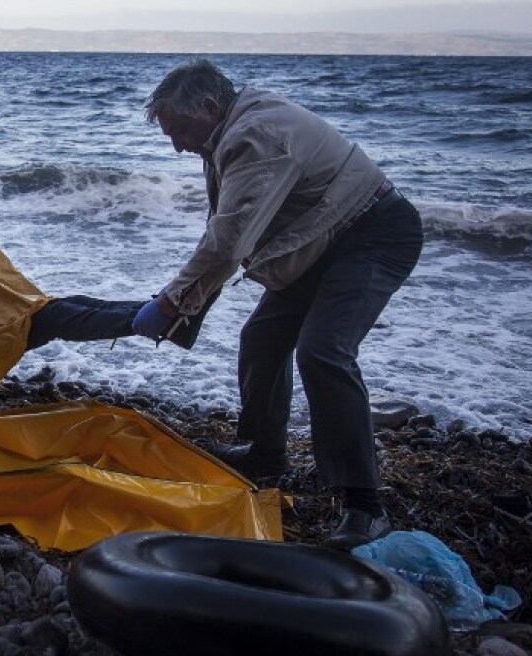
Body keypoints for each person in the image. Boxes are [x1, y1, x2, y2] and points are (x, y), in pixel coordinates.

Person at [132, 58, 424, 549]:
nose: (177, 145)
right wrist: (184, 305)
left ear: (209, 107)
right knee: (262, 338)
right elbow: (226, 231)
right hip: (319, 241)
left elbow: (227, 244)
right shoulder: (226, 131)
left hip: (373, 234)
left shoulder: (257, 136)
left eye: (179, 130)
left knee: (323, 351)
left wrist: (170, 304)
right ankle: (264, 454)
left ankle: (364, 505)